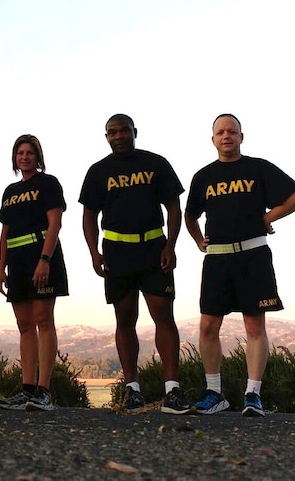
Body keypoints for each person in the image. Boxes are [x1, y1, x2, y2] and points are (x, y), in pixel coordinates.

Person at [184, 114, 295, 417]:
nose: (226, 136)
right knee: (208, 326)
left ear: (241, 136)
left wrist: (268, 218)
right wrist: (199, 239)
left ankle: (253, 395)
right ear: (213, 139)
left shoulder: (258, 168)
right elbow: (190, 214)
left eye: (232, 131)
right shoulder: (203, 176)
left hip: (253, 256)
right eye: (220, 132)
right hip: (217, 259)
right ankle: (215, 393)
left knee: (254, 325)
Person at [79, 114, 191, 414]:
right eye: (112, 132)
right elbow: (88, 215)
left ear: (134, 132)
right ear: (106, 137)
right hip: (116, 253)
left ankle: (172, 389)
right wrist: (94, 252)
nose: (118, 136)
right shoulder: (98, 171)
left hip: (154, 250)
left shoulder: (156, 163)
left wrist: (170, 245)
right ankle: (132, 389)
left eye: (124, 131)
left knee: (163, 317)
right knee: (124, 320)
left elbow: (174, 206)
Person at [0, 134, 68, 412]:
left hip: (41, 256)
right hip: (17, 262)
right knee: (24, 325)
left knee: (43, 320)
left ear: (38, 156)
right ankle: (26, 389)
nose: (24, 157)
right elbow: (4, 232)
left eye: (30, 152)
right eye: (20, 153)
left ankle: (44, 391)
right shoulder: (10, 191)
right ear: (15, 158)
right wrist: (1, 267)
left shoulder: (48, 184)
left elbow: (55, 223)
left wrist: (44, 259)